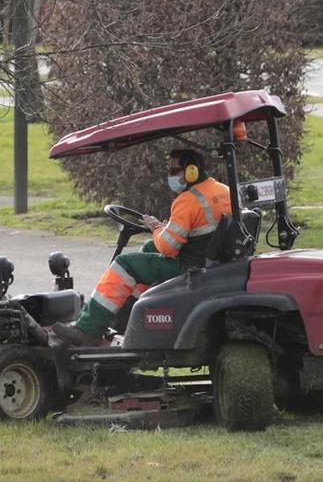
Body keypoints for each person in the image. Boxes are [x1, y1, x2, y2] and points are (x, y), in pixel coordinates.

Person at [52, 146, 233, 346]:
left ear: (192, 171)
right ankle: (126, 316)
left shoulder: (188, 200)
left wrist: (156, 228)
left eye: (174, 171)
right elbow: (194, 231)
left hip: (191, 268)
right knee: (148, 247)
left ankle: (88, 330)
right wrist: (162, 230)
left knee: (124, 264)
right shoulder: (223, 190)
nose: (170, 176)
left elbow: (168, 248)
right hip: (211, 262)